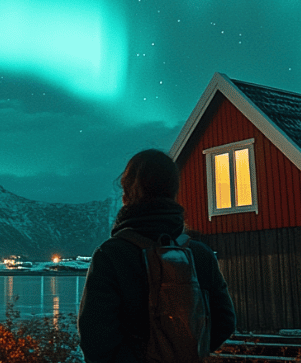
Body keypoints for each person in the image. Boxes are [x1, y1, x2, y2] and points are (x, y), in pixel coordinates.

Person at [78, 149, 237, 362]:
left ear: (127, 192)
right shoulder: (200, 254)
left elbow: (95, 340)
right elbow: (224, 322)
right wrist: (188, 350)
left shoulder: (111, 255)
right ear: (173, 191)